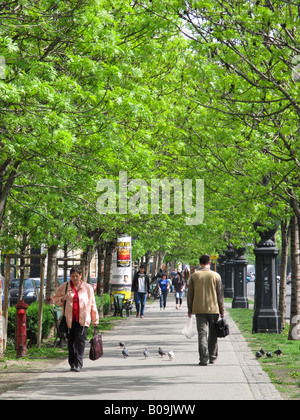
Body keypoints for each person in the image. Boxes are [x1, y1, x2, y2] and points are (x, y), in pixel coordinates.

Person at [53, 266, 99, 372]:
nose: (75, 278)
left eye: (77, 276)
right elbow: (55, 298)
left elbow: (92, 304)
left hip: (83, 319)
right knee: (71, 342)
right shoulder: (65, 286)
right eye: (73, 276)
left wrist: (95, 320)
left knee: (80, 341)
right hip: (70, 319)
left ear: (81, 276)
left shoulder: (87, 288)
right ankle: (72, 363)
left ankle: (78, 364)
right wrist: (62, 299)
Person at [187, 254, 224, 366]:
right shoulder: (216, 276)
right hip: (213, 309)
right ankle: (212, 356)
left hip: (199, 309)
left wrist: (190, 309)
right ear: (209, 263)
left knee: (202, 334)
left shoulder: (194, 276)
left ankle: (203, 358)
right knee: (213, 334)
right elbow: (220, 295)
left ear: (199, 263)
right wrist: (222, 310)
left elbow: (190, 294)